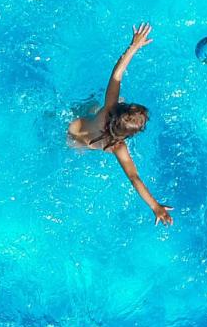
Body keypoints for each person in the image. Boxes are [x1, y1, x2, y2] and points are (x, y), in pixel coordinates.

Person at [67, 23, 173, 226]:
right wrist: (155, 206)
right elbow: (134, 178)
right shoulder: (117, 147)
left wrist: (134, 46)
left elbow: (117, 74)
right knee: (85, 132)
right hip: (82, 145)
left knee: (95, 105)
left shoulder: (109, 107)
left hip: (73, 126)